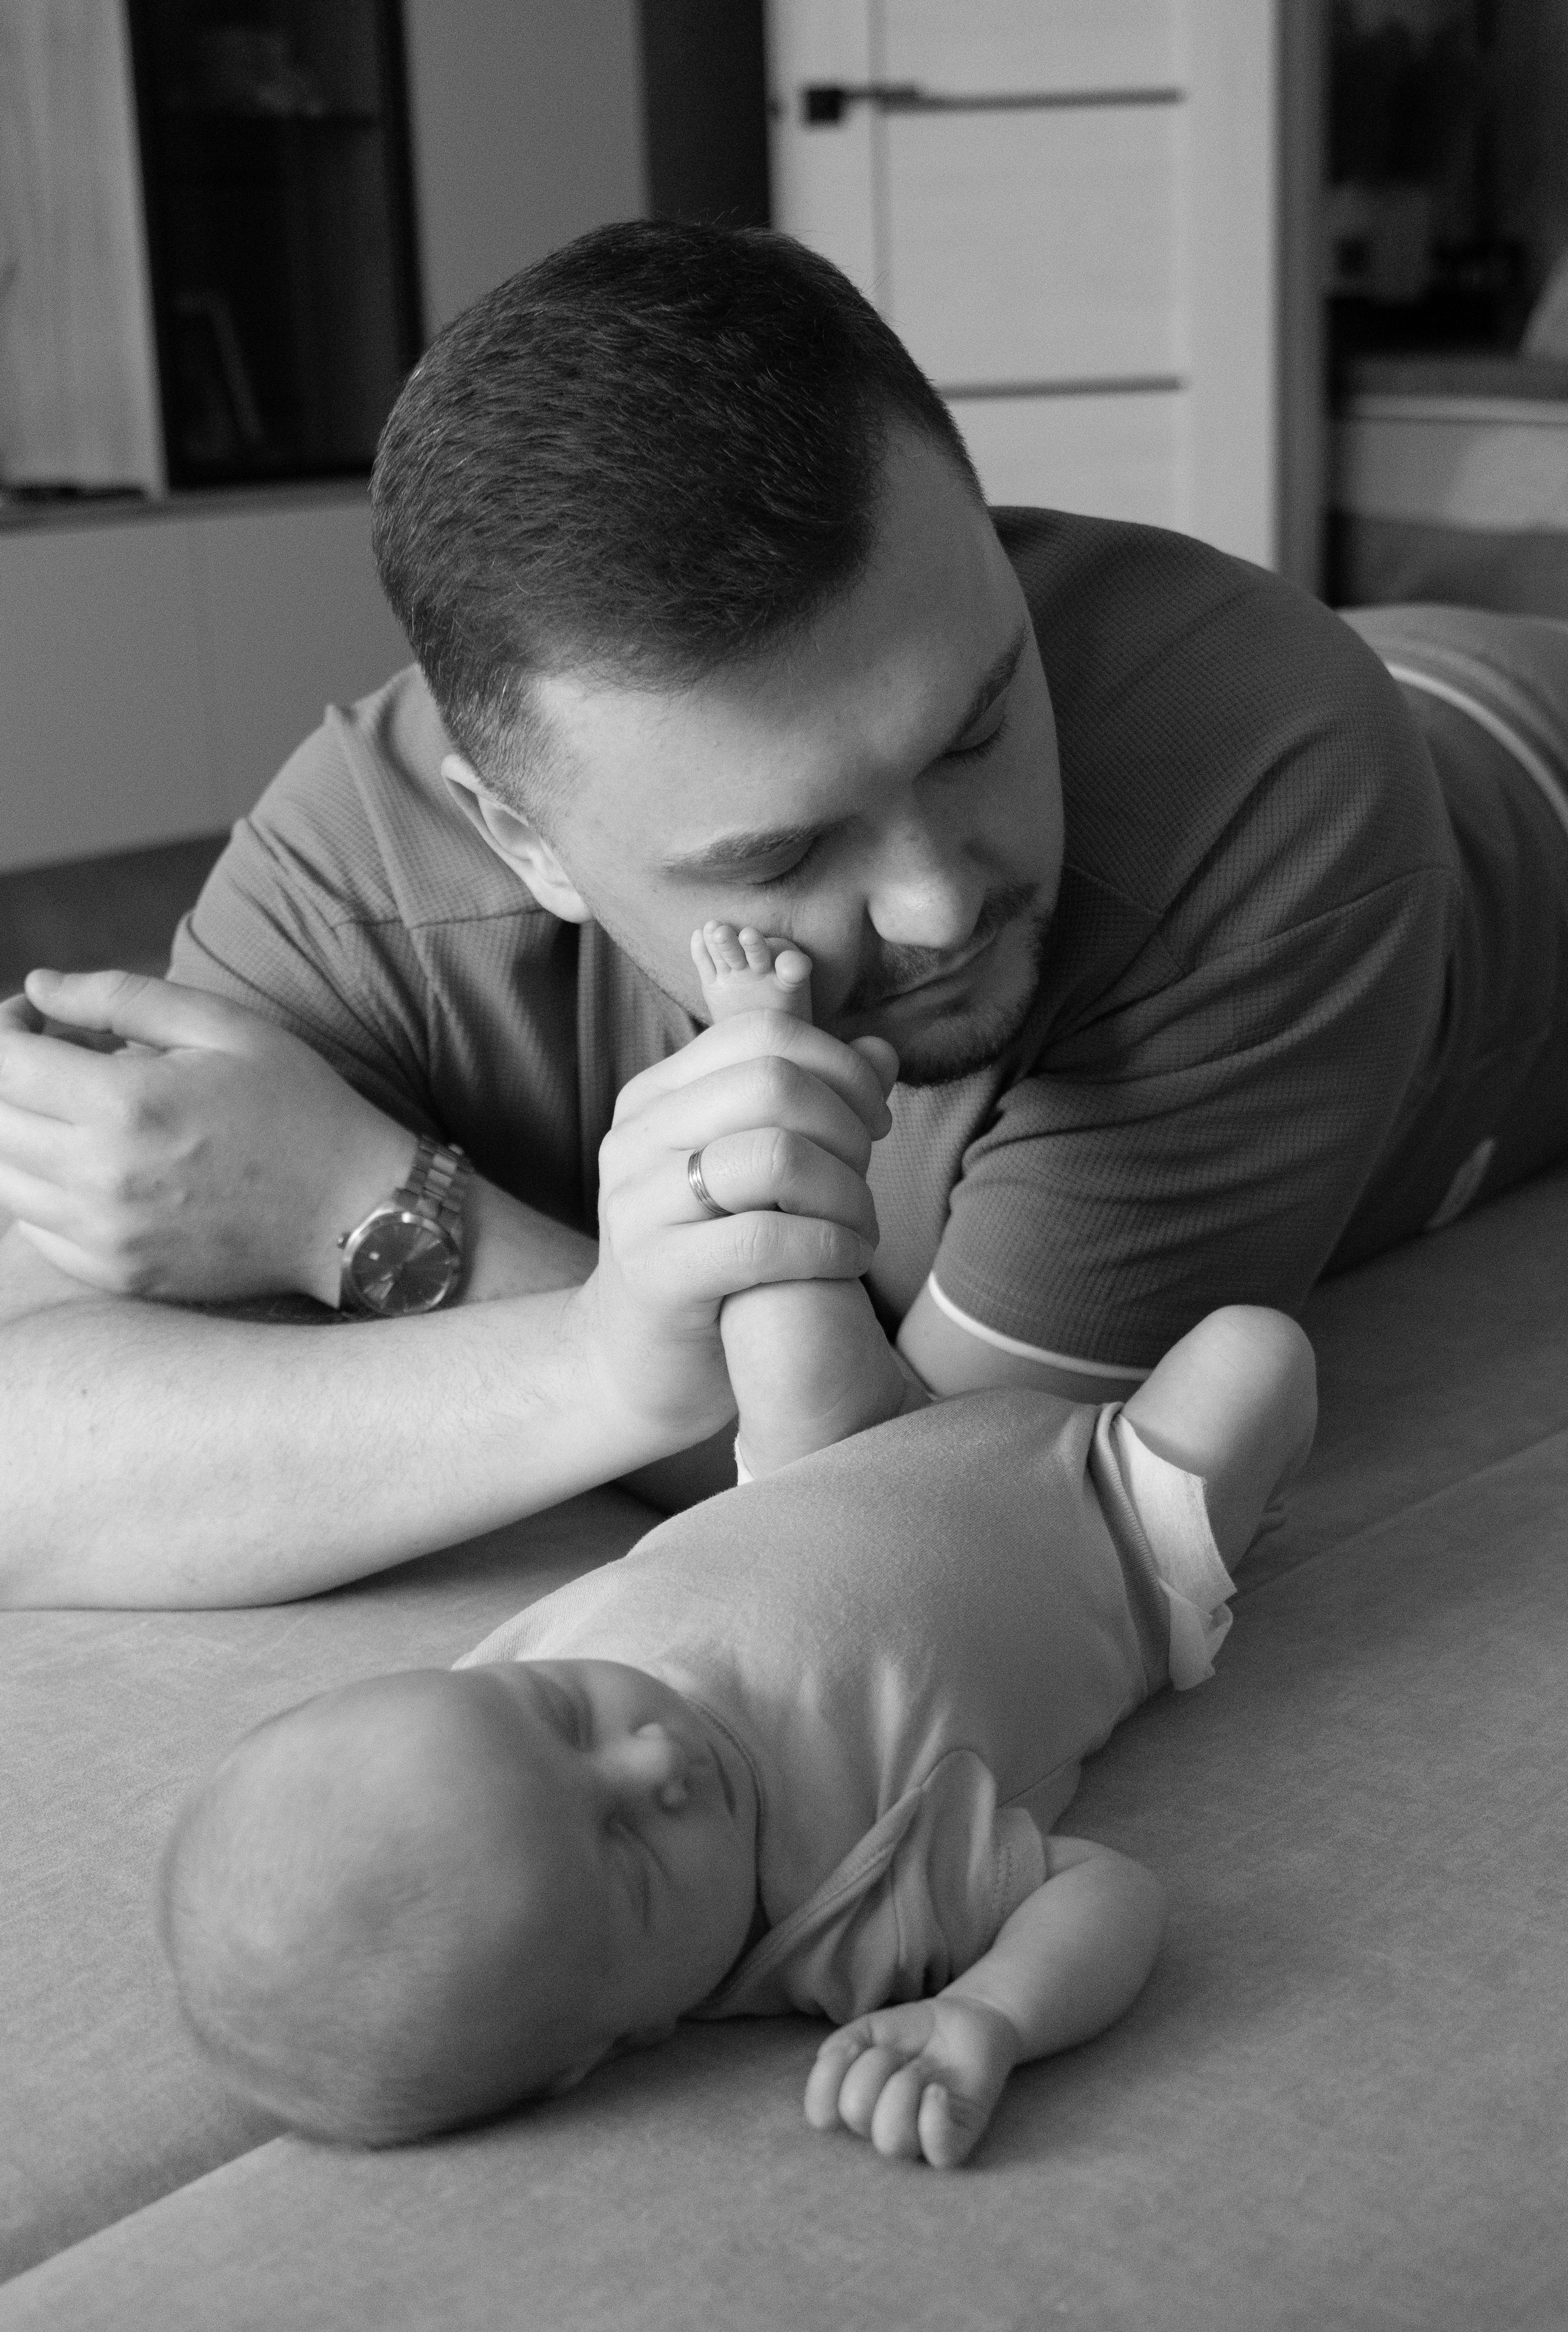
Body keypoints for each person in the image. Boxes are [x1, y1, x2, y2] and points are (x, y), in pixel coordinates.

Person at [0, 222, 1563, 1607]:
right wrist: (598, 1347)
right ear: (519, 838)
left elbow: (920, 1532)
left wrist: (374, 1212)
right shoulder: (368, 875)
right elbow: (37, 1462)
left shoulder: (1273, 789)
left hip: (1503, 768)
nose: (939, 896)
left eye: (972, 724)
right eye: (775, 855)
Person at [158, 929, 1316, 2167]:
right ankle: (1208, 1535)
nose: (651, 1758)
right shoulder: (843, 1916)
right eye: (632, 1857)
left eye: (564, 1719)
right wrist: (986, 2013)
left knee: (762, 1277)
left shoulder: (480, 1703)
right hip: (1111, 1529)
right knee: (1255, 1358)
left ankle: (758, 1046)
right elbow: (1105, 1895)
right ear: (617, 2036)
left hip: (822, 1458)